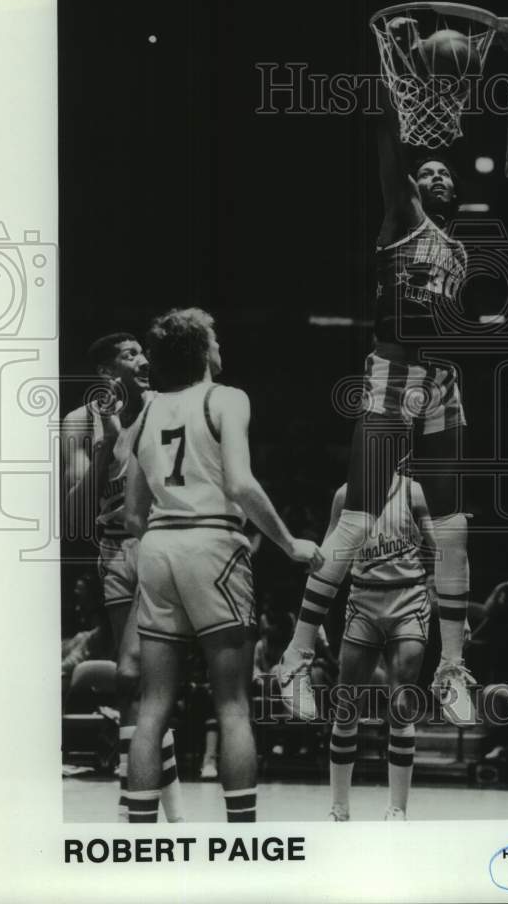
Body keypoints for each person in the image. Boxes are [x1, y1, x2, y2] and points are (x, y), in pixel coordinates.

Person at [277, 30, 475, 726]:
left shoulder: (458, 249)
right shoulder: (402, 215)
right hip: (391, 379)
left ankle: (452, 668)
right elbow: (389, 143)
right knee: (358, 519)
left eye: (446, 173)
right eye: (428, 172)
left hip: (442, 385)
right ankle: (297, 653)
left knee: (451, 531)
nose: (437, 175)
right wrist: (393, 71)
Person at [123, 307, 323, 823]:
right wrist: (289, 544)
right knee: (232, 704)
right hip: (213, 543)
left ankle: (141, 837)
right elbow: (240, 484)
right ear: (203, 350)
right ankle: (241, 839)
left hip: (159, 546)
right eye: (215, 340)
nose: (221, 348)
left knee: (152, 707)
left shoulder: (145, 412)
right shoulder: (227, 398)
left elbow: (131, 514)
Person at [61, 332, 185, 821]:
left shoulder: (165, 408)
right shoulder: (77, 422)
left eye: (143, 353)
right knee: (138, 681)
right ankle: (170, 815)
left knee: (139, 678)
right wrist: (105, 448)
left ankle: (133, 810)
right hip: (113, 550)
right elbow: (72, 515)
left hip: (162, 543)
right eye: (130, 354)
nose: (143, 360)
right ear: (107, 373)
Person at [326, 474, 437, 821]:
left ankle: (397, 810)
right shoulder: (346, 493)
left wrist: (449, 608)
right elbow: (329, 556)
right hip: (363, 597)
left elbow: (438, 552)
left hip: (408, 597)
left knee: (402, 702)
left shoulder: (412, 491)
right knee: (346, 705)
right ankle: (339, 809)